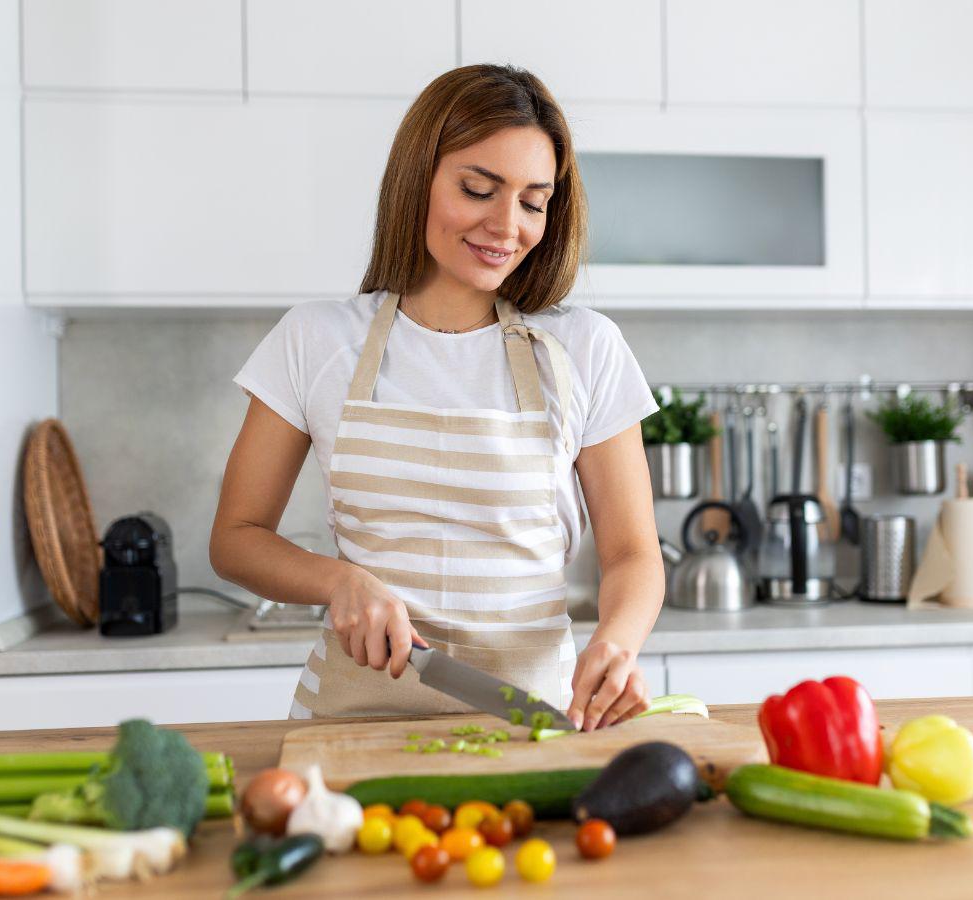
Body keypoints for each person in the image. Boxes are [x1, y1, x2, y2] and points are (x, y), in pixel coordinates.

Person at [210, 64, 662, 732]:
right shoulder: (316, 338)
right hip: (348, 726)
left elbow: (633, 556)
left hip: (534, 723)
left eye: (534, 202)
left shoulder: (585, 348)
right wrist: (340, 582)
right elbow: (236, 538)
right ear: (417, 177)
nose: (507, 225)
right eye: (479, 189)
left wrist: (616, 644)